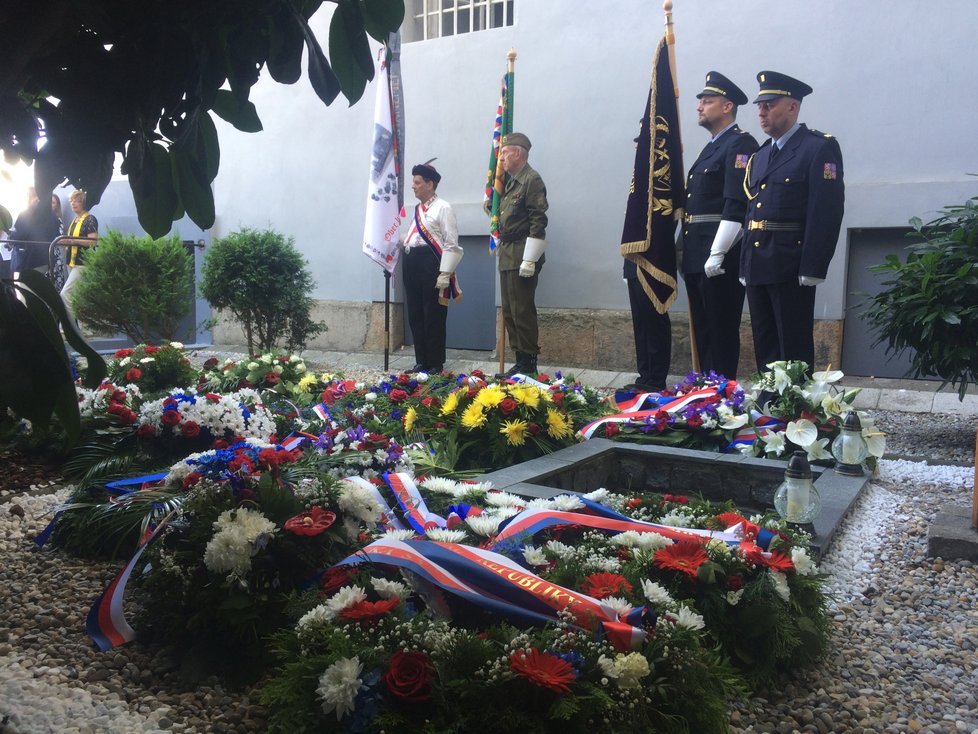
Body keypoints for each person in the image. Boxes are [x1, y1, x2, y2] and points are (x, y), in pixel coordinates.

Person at [741, 70, 844, 373]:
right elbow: (753, 209)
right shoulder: (759, 156)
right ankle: (769, 406)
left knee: (793, 346)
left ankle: (797, 411)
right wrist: (745, 263)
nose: (762, 112)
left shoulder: (817, 148)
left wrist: (813, 266)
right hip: (758, 260)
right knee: (765, 342)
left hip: (790, 262)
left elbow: (826, 211)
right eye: (760, 106)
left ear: (792, 107)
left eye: (769, 105)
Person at [681, 71, 758, 379]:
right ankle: (705, 391)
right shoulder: (713, 147)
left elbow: (735, 202)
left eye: (707, 101)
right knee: (703, 328)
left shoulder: (740, 144)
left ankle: (722, 393)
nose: (700, 107)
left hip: (719, 252)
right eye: (700, 101)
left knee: (720, 327)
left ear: (727, 107)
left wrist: (719, 250)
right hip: (696, 250)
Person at [494, 132, 548, 377]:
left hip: (523, 253)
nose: (501, 157)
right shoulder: (512, 182)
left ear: (518, 152)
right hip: (507, 254)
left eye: (505, 152)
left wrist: (531, 258)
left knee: (522, 310)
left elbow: (538, 219)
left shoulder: (531, 179)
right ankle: (520, 360)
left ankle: (528, 363)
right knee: (509, 311)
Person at [402, 161, 461, 374]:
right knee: (415, 313)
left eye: (417, 182)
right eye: (413, 182)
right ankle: (421, 361)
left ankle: (435, 362)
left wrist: (445, 272)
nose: (413, 186)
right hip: (411, 262)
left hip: (431, 263)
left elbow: (451, 242)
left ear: (430, 184)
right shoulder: (417, 210)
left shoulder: (443, 207)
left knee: (433, 313)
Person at [60, 189, 99, 309]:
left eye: (76, 200)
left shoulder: (90, 219)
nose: (73, 203)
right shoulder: (75, 220)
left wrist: (73, 241)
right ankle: (83, 327)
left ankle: (69, 325)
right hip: (71, 262)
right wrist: (64, 241)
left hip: (82, 263)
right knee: (78, 296)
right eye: (71, 201)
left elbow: (92, 242)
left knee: (65, 294)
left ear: (83, 203)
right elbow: (72, 240)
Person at [9, 187, 60, 277]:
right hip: (44, 260)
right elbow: (56, 233)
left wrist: (10, 238)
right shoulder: (51, 214)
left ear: (29, 196)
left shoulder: (26, 212)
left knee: (23, 289)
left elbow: (17, 235)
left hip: (26, 261)